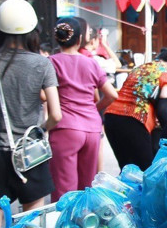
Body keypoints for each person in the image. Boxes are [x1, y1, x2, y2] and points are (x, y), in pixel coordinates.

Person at [0, 0, 62, 228]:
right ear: (33, 31)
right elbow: (56, 114)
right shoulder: (42, 64)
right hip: (30, 156)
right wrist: (37, 133)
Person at [49, 17, 119, 199]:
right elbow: (112, 95)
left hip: (66, 128)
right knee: (86, 190)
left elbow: (43, 94)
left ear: (56, 38)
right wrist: (95, 108)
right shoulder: (91, 62)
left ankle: (63, 226)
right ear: (80, 39)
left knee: (65, 192)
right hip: (92, 130)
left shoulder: (52, 62)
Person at [104, 48, 167, 170]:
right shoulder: (166, 75)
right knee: (146, 170)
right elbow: (163, 111)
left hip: (111, 118)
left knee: (127, 170)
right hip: (134, 121)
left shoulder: (139, 68)